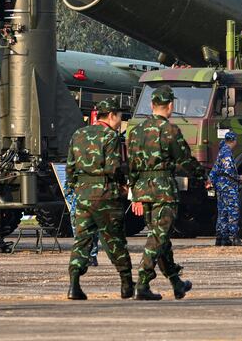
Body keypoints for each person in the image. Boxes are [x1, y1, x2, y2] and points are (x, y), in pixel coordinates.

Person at [127, 87, 193, 300]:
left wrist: (134, 194)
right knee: (158, 236)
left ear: (151, 105)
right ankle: (142, 283)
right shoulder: (171, 131)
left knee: (161, 238)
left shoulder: (136, 131)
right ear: (171, 106)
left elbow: (131, 165)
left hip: (143, 191)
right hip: (164, 190)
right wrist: (203, 176)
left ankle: (176, 283)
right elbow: (184, 161)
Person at [64, 98, 133, 300]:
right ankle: (126, 283)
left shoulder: (79, 134)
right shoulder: (110, 137)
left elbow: (70, 167)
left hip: (83, 194)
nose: (120, 121)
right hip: (105, 195)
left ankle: (74, 285)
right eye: (120, 116)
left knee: (82, 240)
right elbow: (114, 168)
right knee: (115, 240)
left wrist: (75, 189)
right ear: (111, 115)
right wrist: (124, 185)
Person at [210, 130, 242, 246]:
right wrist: (239, 177)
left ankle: (222, 238)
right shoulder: (227, 152)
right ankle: (234, 237)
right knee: (233, 210)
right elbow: (228, 170)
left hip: (221, 185)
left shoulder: (221, 151)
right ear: (234, 141)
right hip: (227, 185)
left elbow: (214, 170)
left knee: (223, 212)